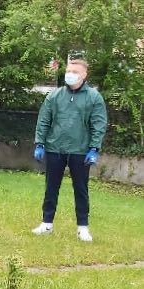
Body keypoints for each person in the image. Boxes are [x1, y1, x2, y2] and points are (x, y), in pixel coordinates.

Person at [31, 58, 108, 242]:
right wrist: (40, 143)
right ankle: (46, 223)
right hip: (55, 148)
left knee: (81, 189)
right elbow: (44, 120)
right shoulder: (55, 95)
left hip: (80, 150)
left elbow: (99, 124)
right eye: (68, 71)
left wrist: (94, 148)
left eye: (75, 72)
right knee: (51, 187)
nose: (70, 74)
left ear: (84, 75)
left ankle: (83, 227)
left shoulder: (93, 97)